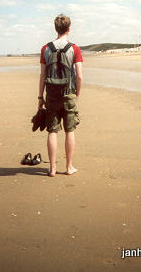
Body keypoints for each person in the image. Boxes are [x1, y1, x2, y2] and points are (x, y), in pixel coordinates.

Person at [38, 14, 83, 177]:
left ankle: (52, 168)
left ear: (55, 29)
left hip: (51, 94)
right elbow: (79, 76)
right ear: (69, 29)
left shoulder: (45, 48)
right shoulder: (74, 49)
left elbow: (42, 76)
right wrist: (76, 94)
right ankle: (69, 167)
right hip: (68, 93)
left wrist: (40, 97)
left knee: (52, 131)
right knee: (70, 130)